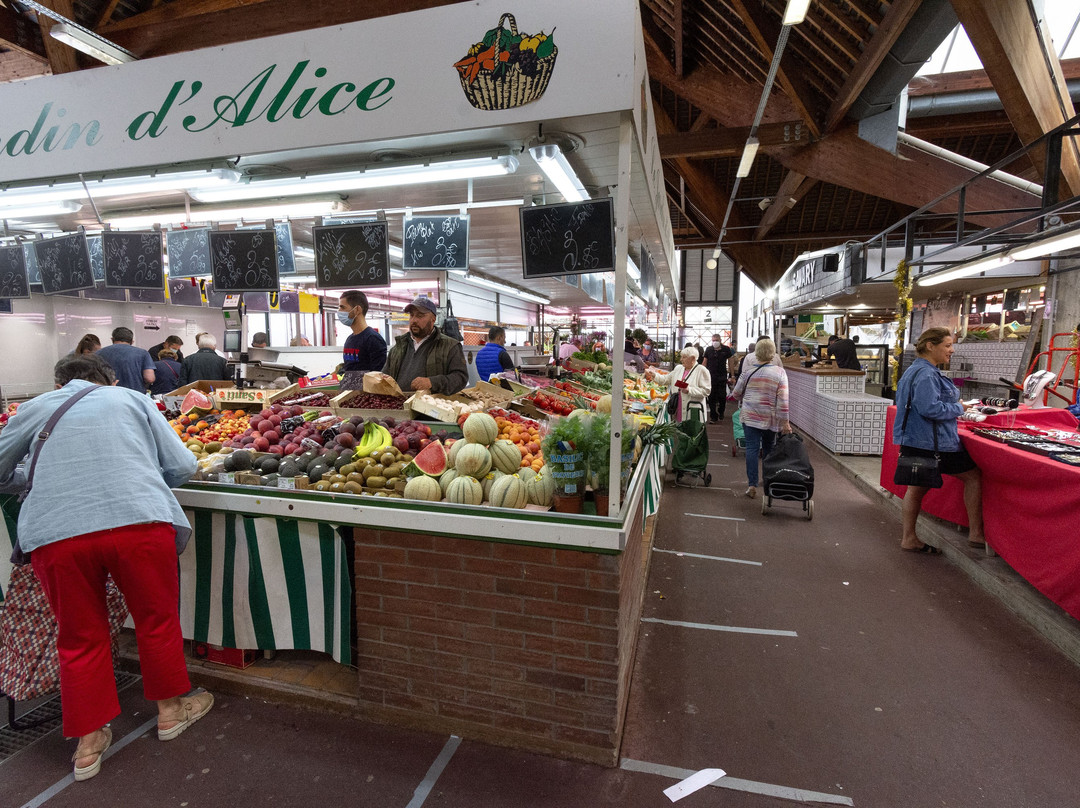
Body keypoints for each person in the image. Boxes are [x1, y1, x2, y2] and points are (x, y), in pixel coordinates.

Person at [0, 353, 214, 782]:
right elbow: (184, 465)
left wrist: (32, 479)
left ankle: (88, 744)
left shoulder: (36, 407)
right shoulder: (131, 400)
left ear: (59, 383)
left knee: (79, 636)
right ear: (109, 379)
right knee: (156, 619)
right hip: (137, 521)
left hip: (58, 533)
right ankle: (172, 712)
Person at [893, 327, 985, 554]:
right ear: (930, 346)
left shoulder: (913, 371)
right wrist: (959, 407)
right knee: (973, 477)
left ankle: (909, 538)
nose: (951, 350)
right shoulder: (926, 374)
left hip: (917, 440)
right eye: (947, 345)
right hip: (934, 442)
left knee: (915, 489)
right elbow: (929, 408)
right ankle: (976, 533)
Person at [732, 337, 791, 499]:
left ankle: (752, 484)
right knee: (769, 449)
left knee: (751, 449)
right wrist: (785, 421)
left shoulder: (748, 372)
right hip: (770, 418)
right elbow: (783, 400)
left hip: (750, 416)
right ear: (773, 354)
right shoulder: (780, 373)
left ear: (756, 353)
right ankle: (768, 480)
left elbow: (736, 394)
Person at [383, 296, 468, 394]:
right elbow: (386, 377)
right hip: (399, 406)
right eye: (412, 315)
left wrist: (432, 382)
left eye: (420, 316)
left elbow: (460, 378)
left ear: (433, 319)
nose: (414, 320)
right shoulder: (397, 348)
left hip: (430, 407)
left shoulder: (450, 346)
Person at [338, 290, 389, 389]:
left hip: (364, 398)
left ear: (357, 309)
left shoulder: (373, 339)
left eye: (342, 307)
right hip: (349, 394)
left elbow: (378, 377)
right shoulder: (350, 339)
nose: (339, 311)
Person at [646, 346, 711, 422]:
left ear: (693, 358)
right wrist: (654, 375)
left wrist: (689, 390)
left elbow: (706, 391)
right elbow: (666, 379)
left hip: (692, 410)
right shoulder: (679, 368)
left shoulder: (701, 370)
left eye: (684, 357)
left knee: (691, 432)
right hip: (678, 407)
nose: (681, 360)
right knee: (678, 429)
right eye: (681, 357)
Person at [96, 327, 155, 392]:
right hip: (134, 395)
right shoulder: (143, 353)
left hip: (107, 394)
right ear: (132, 341)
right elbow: (149, 378)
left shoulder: (98, 353)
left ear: (112, 339)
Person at [703, 334, 733, 422]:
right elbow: (704, 362)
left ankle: (721, 411)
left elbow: (730, 362)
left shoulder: (726, 349)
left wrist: (732, 375)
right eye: (713, 340)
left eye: (716, 340)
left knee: (722, 396)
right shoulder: (709, 349)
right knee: (711, 396)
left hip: (722, 376)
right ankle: (713, 416)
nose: (715, 342)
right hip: (711, 377)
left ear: (720, 340)